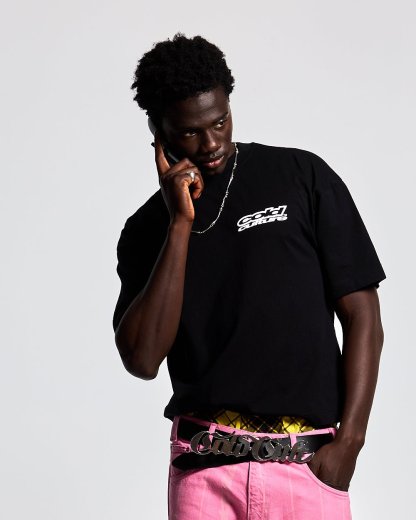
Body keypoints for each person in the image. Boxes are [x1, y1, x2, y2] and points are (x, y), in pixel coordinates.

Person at [112, 33, 386, 519]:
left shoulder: (301, 176)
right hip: (204, 471)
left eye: (220, 121)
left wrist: (351, 443)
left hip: (307, 465)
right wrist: (179, 224)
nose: (211, 143)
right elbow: (142, 359)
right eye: (190, 132)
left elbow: (363, 315)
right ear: (159, 131)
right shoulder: (146, 230)